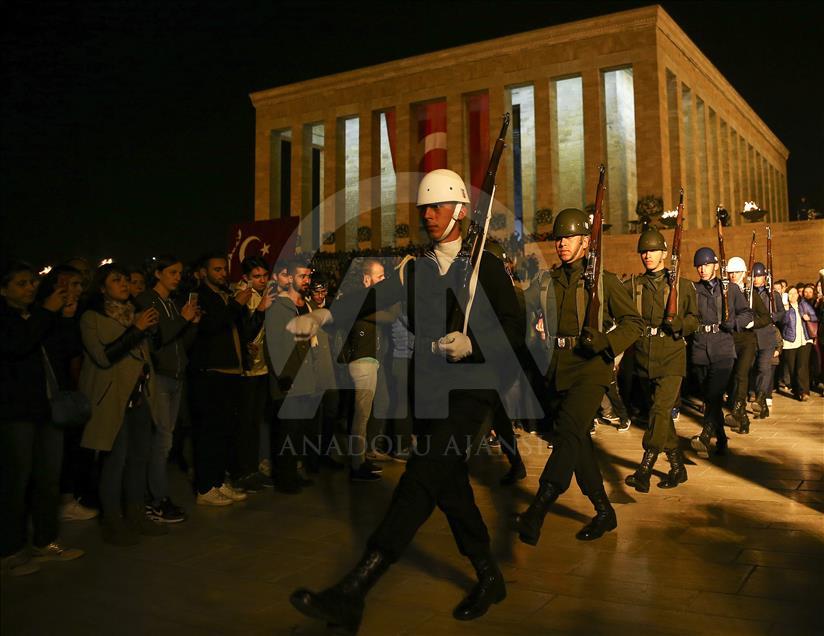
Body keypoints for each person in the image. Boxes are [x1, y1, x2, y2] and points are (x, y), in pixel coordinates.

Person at [287, 169, 524, 631]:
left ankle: (355, 589)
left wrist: (474, 343)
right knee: (449, 488)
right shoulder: (414, 269)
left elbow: (514, 332)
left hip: (472, 394)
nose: (428, 216)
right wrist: (326, 314)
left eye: (436, 207)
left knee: (421, 477)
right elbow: (368, 296)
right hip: (430, 395)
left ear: (459, 210)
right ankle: (488, 575)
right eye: (423, 210)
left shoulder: (486, 267)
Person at [516, 208, 642, 545]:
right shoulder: (549, 280)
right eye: (558, 238)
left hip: (591, 369)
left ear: (586, 242)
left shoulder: (603, 281)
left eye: (568, 237)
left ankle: (538, 508)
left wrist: (607, 341)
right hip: (559, 368)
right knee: (577, 441)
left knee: (568, 433)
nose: (561, 244)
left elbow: (634, 323)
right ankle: (604, 511)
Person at [1, 261, 85, 576]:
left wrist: (65, 318)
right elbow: (17, 345)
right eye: (21, 283)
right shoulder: (10, 319)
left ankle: (45, 541)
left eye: (33, 282)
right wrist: (48, 313)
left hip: (49, 408)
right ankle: (9, 551)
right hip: (15, 412)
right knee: (15, 481)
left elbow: (67, 352)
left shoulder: (42, 316)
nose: (30, 287)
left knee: (49, 478)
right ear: (4, 289)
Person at [79, 263, 168, 544]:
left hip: (140, 395)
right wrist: (136, 328)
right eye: (116, 280)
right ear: (102, 287)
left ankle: (136, 514)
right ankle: (112, 521)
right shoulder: (92, 317)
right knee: (115, 460)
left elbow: (151, 350)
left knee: (138, 457)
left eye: (126, 279)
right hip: (112, 398)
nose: (124, 284)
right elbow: (105, 356)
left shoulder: (135, 313)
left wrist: (147, 329)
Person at [622, 228, 698, 493]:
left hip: (673, 356)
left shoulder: (682, 286)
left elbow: (695, 320)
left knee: (659, 411)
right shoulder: (634, 286)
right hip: (645, 357)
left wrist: (679, 324)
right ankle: (678, 467)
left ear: (665, 254)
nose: (647, 255)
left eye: (653, 251)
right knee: (660, 415)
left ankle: (645, 467)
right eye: (644, 251)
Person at [134, 255, 199, 523]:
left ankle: (157, 497)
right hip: (159, 376)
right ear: (158, 273)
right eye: (172, 272)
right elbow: (159, 338)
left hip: (175, 374)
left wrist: (191, 323)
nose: (177, 277)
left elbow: (182, 343)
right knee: (162, 440)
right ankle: (156, 500)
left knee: (166, 438)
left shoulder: (172, 303)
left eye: (179, 273)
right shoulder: (148, 300)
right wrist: (182, 320)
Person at [265, 257, 335, 493]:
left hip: (309, 378)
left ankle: (295, 470)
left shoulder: (306, 305)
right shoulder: (279, 306)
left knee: (299, 433)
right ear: (290, 277)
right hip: (290, 381)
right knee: (287, 432)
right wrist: (285, 377)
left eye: (308, 276)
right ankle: (284, 478)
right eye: (302, 276)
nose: (307, 280)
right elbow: (275, 345)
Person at [187, 253, 252, 506]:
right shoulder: (201, 296)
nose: (223, 273)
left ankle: (217, 481)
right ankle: (205, 487)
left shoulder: (226, 294)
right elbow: (210, 326)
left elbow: (236, 327)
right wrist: (235, 304)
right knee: (209, 432)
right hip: (211, 372)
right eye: (216, 269)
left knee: (225, 431)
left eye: (224, 269)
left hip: (232, 371)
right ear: (204, 272)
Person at [689, 248, 752, 458]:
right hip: (699, 349)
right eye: (699, 266)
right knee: (710, 397)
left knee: (714, 393)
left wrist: (733, 323)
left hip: (723, 348)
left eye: (706, 265)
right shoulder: (692, 289)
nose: (702, 269)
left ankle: (706, 435)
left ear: (715, 265)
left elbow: (747, 314)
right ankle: (722, 440)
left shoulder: (730, 289)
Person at [233, 256, 274, 492]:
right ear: (245, 278)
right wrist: (260, 310)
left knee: (256, 421)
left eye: (264, 276)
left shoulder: (262, 295)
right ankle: (242, 471)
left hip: (261, 367)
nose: (262, 280)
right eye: (256, 277)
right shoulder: (242, 296)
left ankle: (253, 468)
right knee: (245, 423)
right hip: (245, 370)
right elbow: (246, 332)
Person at [724, 256, 771, 433]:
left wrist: (752, 323)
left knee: (741, 375)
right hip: (729, 339)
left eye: (736, 272)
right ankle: (742, 420)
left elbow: (765, 317)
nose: (733, 275)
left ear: (743, 274)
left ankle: (737, 409)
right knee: (732, 378)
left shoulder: (750, 294)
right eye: (731, 272)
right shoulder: (725, 292)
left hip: (747, 340)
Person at [749, 262, 785, 418]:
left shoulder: (773, 294)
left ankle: (761, 396)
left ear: (764, 277)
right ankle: (761, 404)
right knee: (753, 369)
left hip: (767, 336)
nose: (756, 279)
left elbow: (782, 314)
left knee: (764, 369)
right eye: (754, 276)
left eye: (758, 276)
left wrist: (770, 317)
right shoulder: (748, 293)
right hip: (752, 336)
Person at [781, 287, 815, 400]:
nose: (793, 296)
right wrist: (785, 309)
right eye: (790, 294)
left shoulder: (804, 305)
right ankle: (797, 390)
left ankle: (804, 392)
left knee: (802, 366)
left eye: (795, 293)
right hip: (790, 341)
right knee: (792, 367)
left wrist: (808, 317)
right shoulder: (785, 308)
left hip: (804, 340)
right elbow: (783, 322)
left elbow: (815, 317)